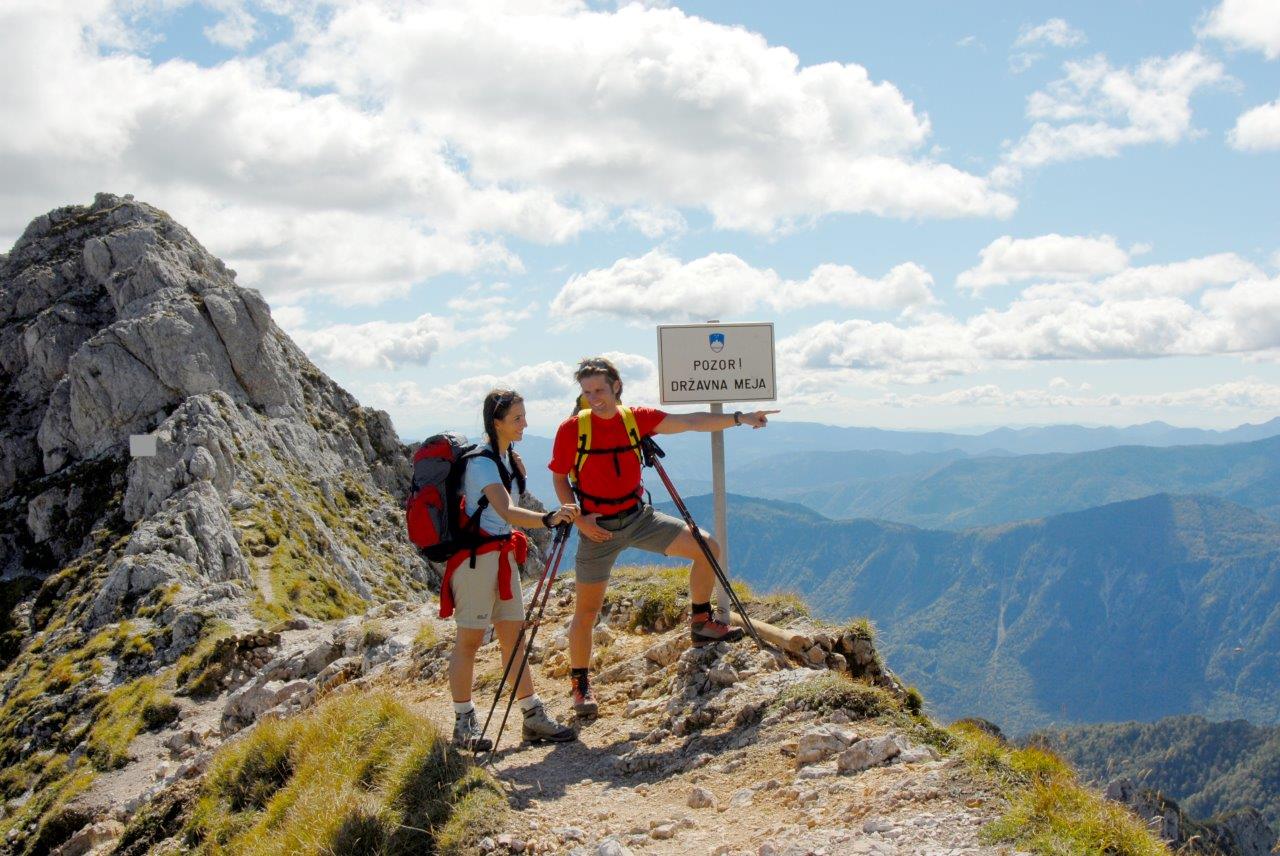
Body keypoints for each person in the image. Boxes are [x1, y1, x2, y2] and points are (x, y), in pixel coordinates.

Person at [549, 357, 778, 717]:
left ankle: (700, 622)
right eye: (587, 391)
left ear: (617, 387)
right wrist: (577, 518)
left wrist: (740, 418)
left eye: (601, 390)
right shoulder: (572, 430)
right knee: (587, 612)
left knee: (708, 546)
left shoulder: (634, 419)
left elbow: (690, 422)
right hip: (596, 528)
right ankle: (580, 686)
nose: (595, 398)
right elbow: (561, 477)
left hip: (639, 517)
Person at [445, 389, 581, 750]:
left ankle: (532, 716)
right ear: (497, 422)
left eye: (524, 416)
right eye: (517, 418)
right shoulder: (483, 463)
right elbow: (506, 511)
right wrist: (549, 518)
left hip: (500, 556)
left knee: (513, 637)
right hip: (476, 561)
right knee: (470, 641)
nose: (525, 424)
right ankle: (463, 724)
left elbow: (507, 514)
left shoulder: (507, 458)